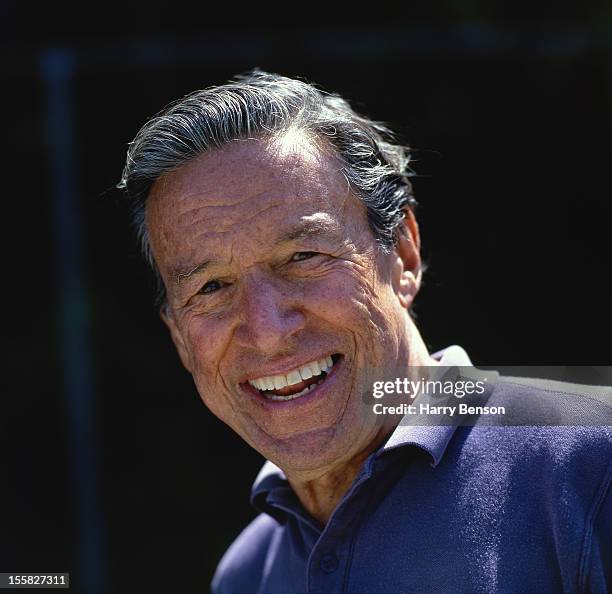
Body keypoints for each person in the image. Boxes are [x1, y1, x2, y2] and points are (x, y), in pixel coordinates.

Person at [118, 71, 611, 593]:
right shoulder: (247, 574)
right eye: (212, 286)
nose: (267, 331)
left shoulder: (594, 466)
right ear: (178, 337)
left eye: (303, 257)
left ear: (402, 254)